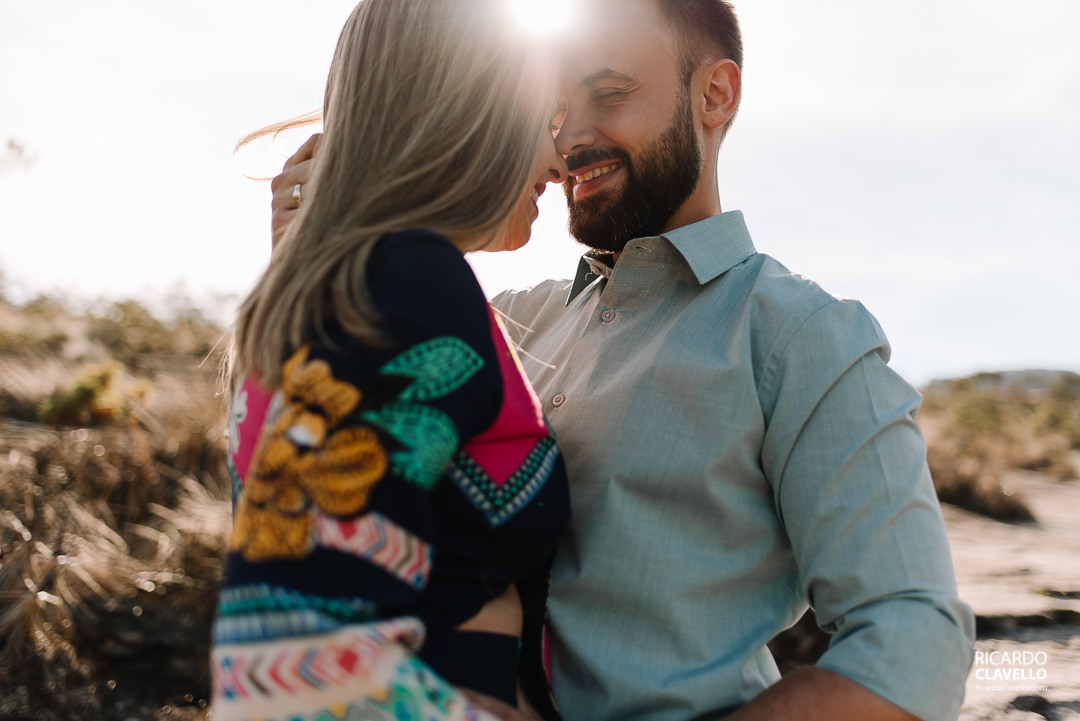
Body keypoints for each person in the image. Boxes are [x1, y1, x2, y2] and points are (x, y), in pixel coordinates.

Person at [271, 1, 976, 720]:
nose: (571, 137)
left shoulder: (802, 334)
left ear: (715, 94)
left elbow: (915, 645)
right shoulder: (498, 319)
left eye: (608, 97)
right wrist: (312, 277)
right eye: (554, 111)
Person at [212, 1, 573, 720]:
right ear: (476, 111)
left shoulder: (340, 292)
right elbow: (291, 667)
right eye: (548, 122)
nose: (560, 165)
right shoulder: (409, 282)